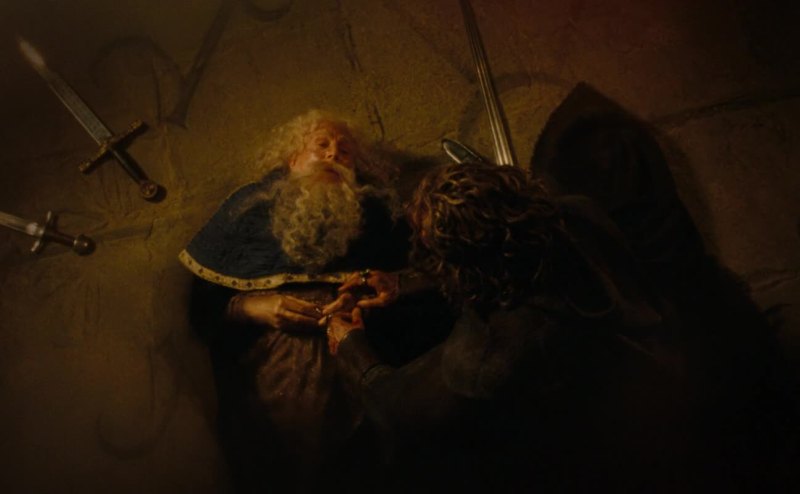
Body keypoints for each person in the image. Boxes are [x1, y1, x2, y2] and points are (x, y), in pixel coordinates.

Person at [181, 110, 451, 493]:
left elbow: (431, 283)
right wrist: (254, 307)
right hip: (278, 375)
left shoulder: (380, 214)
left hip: (368, 360)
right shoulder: (247, 209)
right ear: (293, 159)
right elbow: (203, 305)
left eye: (345, 151)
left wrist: (390, 289)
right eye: (321, 145)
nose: (332, 155)